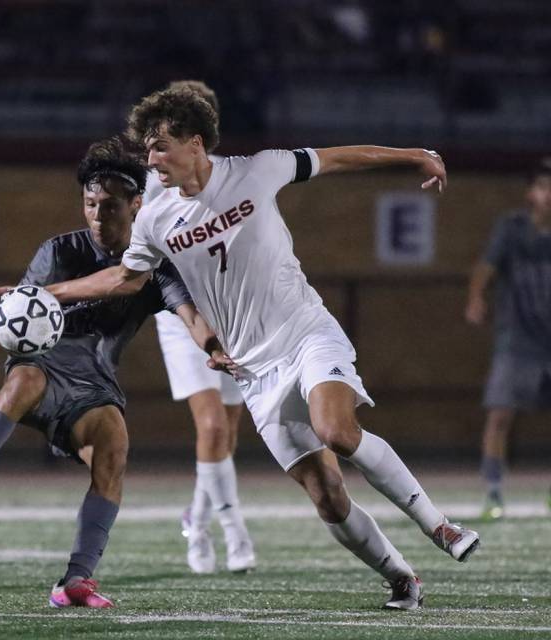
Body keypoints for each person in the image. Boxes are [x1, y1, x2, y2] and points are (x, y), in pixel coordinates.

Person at [45, 86, 480, 610]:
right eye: (147, 149)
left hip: (306, 335)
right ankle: (400, 577)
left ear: (196, 143)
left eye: (161, 147)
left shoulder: (256, 170)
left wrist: (413, 154)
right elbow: (123, 278)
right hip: (254, 372)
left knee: (337, 431)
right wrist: (48, 293)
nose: (152, 160)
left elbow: (338, 157)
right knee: (328, 497)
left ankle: (441, 527)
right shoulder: (156, 218)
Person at [0, 137, 215, 609]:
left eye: (109, 206)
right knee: (23, 382)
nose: (98, 216)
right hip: (43, 364)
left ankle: (76, 580)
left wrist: (213, 348)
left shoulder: (155, 265)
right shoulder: (60, 251)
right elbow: (16, 306)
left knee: (114, 444)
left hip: (93, 385)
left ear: (136, 204)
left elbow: (191, 316)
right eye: (89, 204)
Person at [147, 80, 255, 574]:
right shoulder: (158, 177)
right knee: (211, 426)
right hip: (184, 315)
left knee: (227, 435)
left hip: (230, 314)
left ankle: (197, 515)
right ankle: (231, 536)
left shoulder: (227, 176)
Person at [465, 158, 551, 520]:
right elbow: (486, 267)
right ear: (531, 192)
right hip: (517, 338)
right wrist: (476, 298)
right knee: (499, 414)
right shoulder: (512, 229)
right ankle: (494, 492)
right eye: (544, 186)